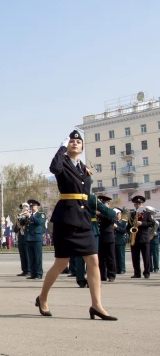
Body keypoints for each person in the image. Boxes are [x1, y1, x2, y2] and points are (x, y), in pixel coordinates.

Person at [37, 130, 116, 320]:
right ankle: (43, 297)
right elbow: (54, 168)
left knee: (94, 261)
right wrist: (61, 148)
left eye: (78, 141)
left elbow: (87, 194)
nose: (75, 143)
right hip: (66, 218)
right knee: (61, 263)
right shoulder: (62, 163)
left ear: (82, 147)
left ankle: (96, 305)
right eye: (72, 141)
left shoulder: (85, 168)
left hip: (83, 219)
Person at [127, 196, 153, 279]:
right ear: (134, 205)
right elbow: (128, 227)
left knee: (146, 257)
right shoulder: (132, 214)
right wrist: (130, 232)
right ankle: (137, 273)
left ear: (143, 204)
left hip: (144, 238)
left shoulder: (147, 214)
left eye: (140, 204)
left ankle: (147, 273)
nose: (138, 205)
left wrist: (142, 223)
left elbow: (151, 224)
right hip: (135, 238)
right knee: (135, 257)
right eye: (136, 204)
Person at [96, 195, 117, 282]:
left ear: (108, 204)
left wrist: (100, 214)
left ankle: (111, 275)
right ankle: (102, 275)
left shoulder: (111, 212)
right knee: (101, 258)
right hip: (100, 236)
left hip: (108, 237)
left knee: (110, 257)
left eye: (103, 204)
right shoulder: (97, 212)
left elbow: (110, 220)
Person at [23, 199, 45, 280]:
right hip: (29, 238)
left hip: (36, 238)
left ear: (37, 206)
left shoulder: (41, 214)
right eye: (30, 206)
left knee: (37, 257)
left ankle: (39, 274)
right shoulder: (29, 215)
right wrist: (23, 217)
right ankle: (33, 273)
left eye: (33, 206)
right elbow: (22, 223)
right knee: (31, 258)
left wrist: (29, 216)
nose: (31, 208)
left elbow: (39, 222)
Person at [14, 205, 30, 276]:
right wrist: (18, 226)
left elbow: (27, 223)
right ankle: (24, 270)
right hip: (21, 238)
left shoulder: (29, 217)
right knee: (22, 255)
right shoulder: (19, 218)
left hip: (27, 237)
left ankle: (29, 270)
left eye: (24, 209)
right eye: (22, 209)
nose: (23, 211)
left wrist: (26, 217)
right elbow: (15, 230)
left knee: (27, 255)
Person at [113, 208, 127, 274]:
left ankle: (122, 269)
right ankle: (117, 269)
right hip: (114, 240)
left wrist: (117, 227)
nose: (116, 215)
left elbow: (124, 230)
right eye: (115, 214)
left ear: (120, 214)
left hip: (121, 240)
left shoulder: (124, 222)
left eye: (117, 214)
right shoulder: (113, 221)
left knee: (121, 256)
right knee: (115, 256)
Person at [147, 207, 159, 273]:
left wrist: (156, 233)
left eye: (151, 215)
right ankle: (150, 268)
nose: (151, 216)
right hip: (147, 241)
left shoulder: (156, 222)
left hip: (154, 241)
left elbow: (159, 231)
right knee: (148, 255)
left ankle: (156, 268)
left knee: (155, 255)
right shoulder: (147, 222)